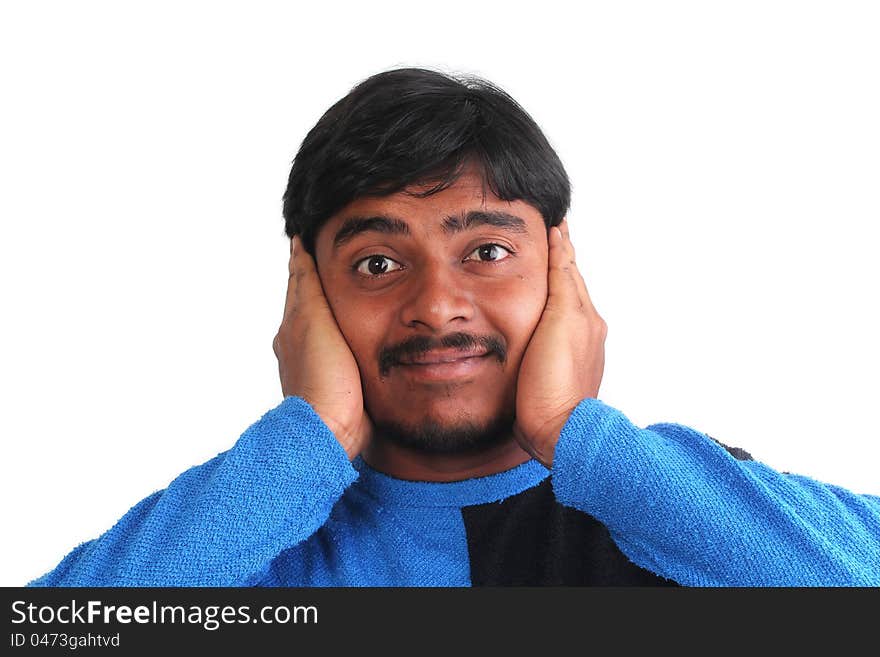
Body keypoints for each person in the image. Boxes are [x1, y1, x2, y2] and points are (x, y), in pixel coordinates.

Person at [29, 67, 880, 587]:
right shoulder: (237, 545)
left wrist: (583, 439)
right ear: (307, 295)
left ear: (559, 270)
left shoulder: (684, 513)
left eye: (485, 250)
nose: (437, 305)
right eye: (376, 263)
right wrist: (305, 443)